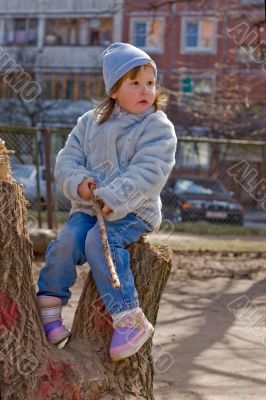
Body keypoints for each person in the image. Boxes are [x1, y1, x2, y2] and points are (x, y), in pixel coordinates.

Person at [37, 42, 177, 361]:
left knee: (98, 243)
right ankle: (49, 307)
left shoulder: (157, 126)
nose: (146, 90)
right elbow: (67, 160)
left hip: (132, 210)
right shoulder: (90, 122)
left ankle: (129, 317)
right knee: (66, 242)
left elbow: (150, 171)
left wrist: (116, 197)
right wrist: (80, 183)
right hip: (89, 208)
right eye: (135, 83)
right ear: (114, 90)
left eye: (151, 83)